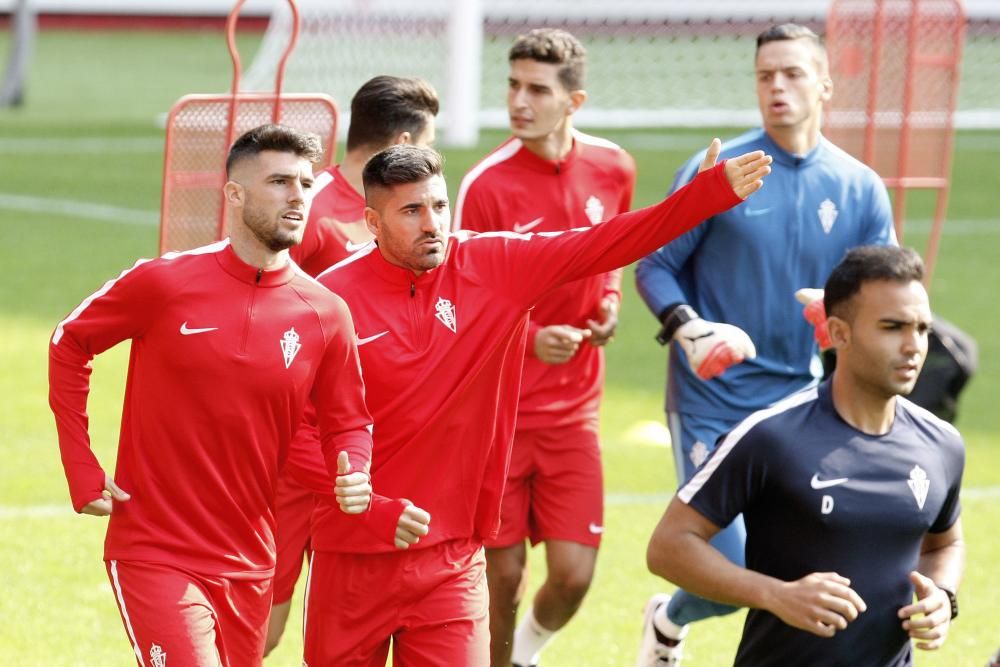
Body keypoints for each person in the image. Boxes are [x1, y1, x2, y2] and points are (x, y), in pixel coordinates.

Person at [297, 143, 771, 666]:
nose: (432, 223)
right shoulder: (328, 301)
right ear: (372, 221)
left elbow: (601, 243)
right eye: (411, 211)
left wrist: (703, 197)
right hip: (351, 559)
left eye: (439, 205)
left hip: (451, 560)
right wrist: (373, 509)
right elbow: (293, 435)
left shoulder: (492, 264)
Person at [48, 124, 374, 667]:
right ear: (234, 194)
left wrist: (355, 469)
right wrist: (80, 463)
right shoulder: (164, 284)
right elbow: (70, 342)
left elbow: (348, 420)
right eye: (279, 182)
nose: (298, 196)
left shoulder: (326, 313)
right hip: (155, 548)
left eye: (304, 183)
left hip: (250, 558)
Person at [634, 23, 897, 664]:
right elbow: (653, 263)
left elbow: (885, 292)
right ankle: (668, 622)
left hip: (803, 404)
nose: (776, 87)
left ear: (825, 84)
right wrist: (686, 327)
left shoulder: (860, 186)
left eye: (793, 73)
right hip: (712, 401)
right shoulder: (721, 172)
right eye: (765, 76)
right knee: (728, 571)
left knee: (809, 566)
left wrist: (835, 312)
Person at [645, 245, 965, 666]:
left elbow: (945, 542)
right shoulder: (771, 435)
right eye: (893, 327)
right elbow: (668, 546)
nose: (913, 346)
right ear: (840, 332)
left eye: (922, 329)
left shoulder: (941, 443)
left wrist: (942, 595)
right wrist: (774, 594)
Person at [453, 28, 635, 667]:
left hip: (573, 414)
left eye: (536, 88)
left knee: (574, 577)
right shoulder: (485, 185)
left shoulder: (613, 167)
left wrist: (608, 301)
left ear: (573, 101)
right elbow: (459, 302)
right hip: (499, 414)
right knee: (500, 581)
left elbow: (611, 253)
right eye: (512, 85)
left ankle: (522, 656)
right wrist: (530, 338)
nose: (518, 101)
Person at [266, 74, 439, 657]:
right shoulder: (309, 207)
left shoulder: (403, 213)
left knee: (361, 605)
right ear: (407, 137)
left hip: (367, 450)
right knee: (265, 613)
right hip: (299, 451)